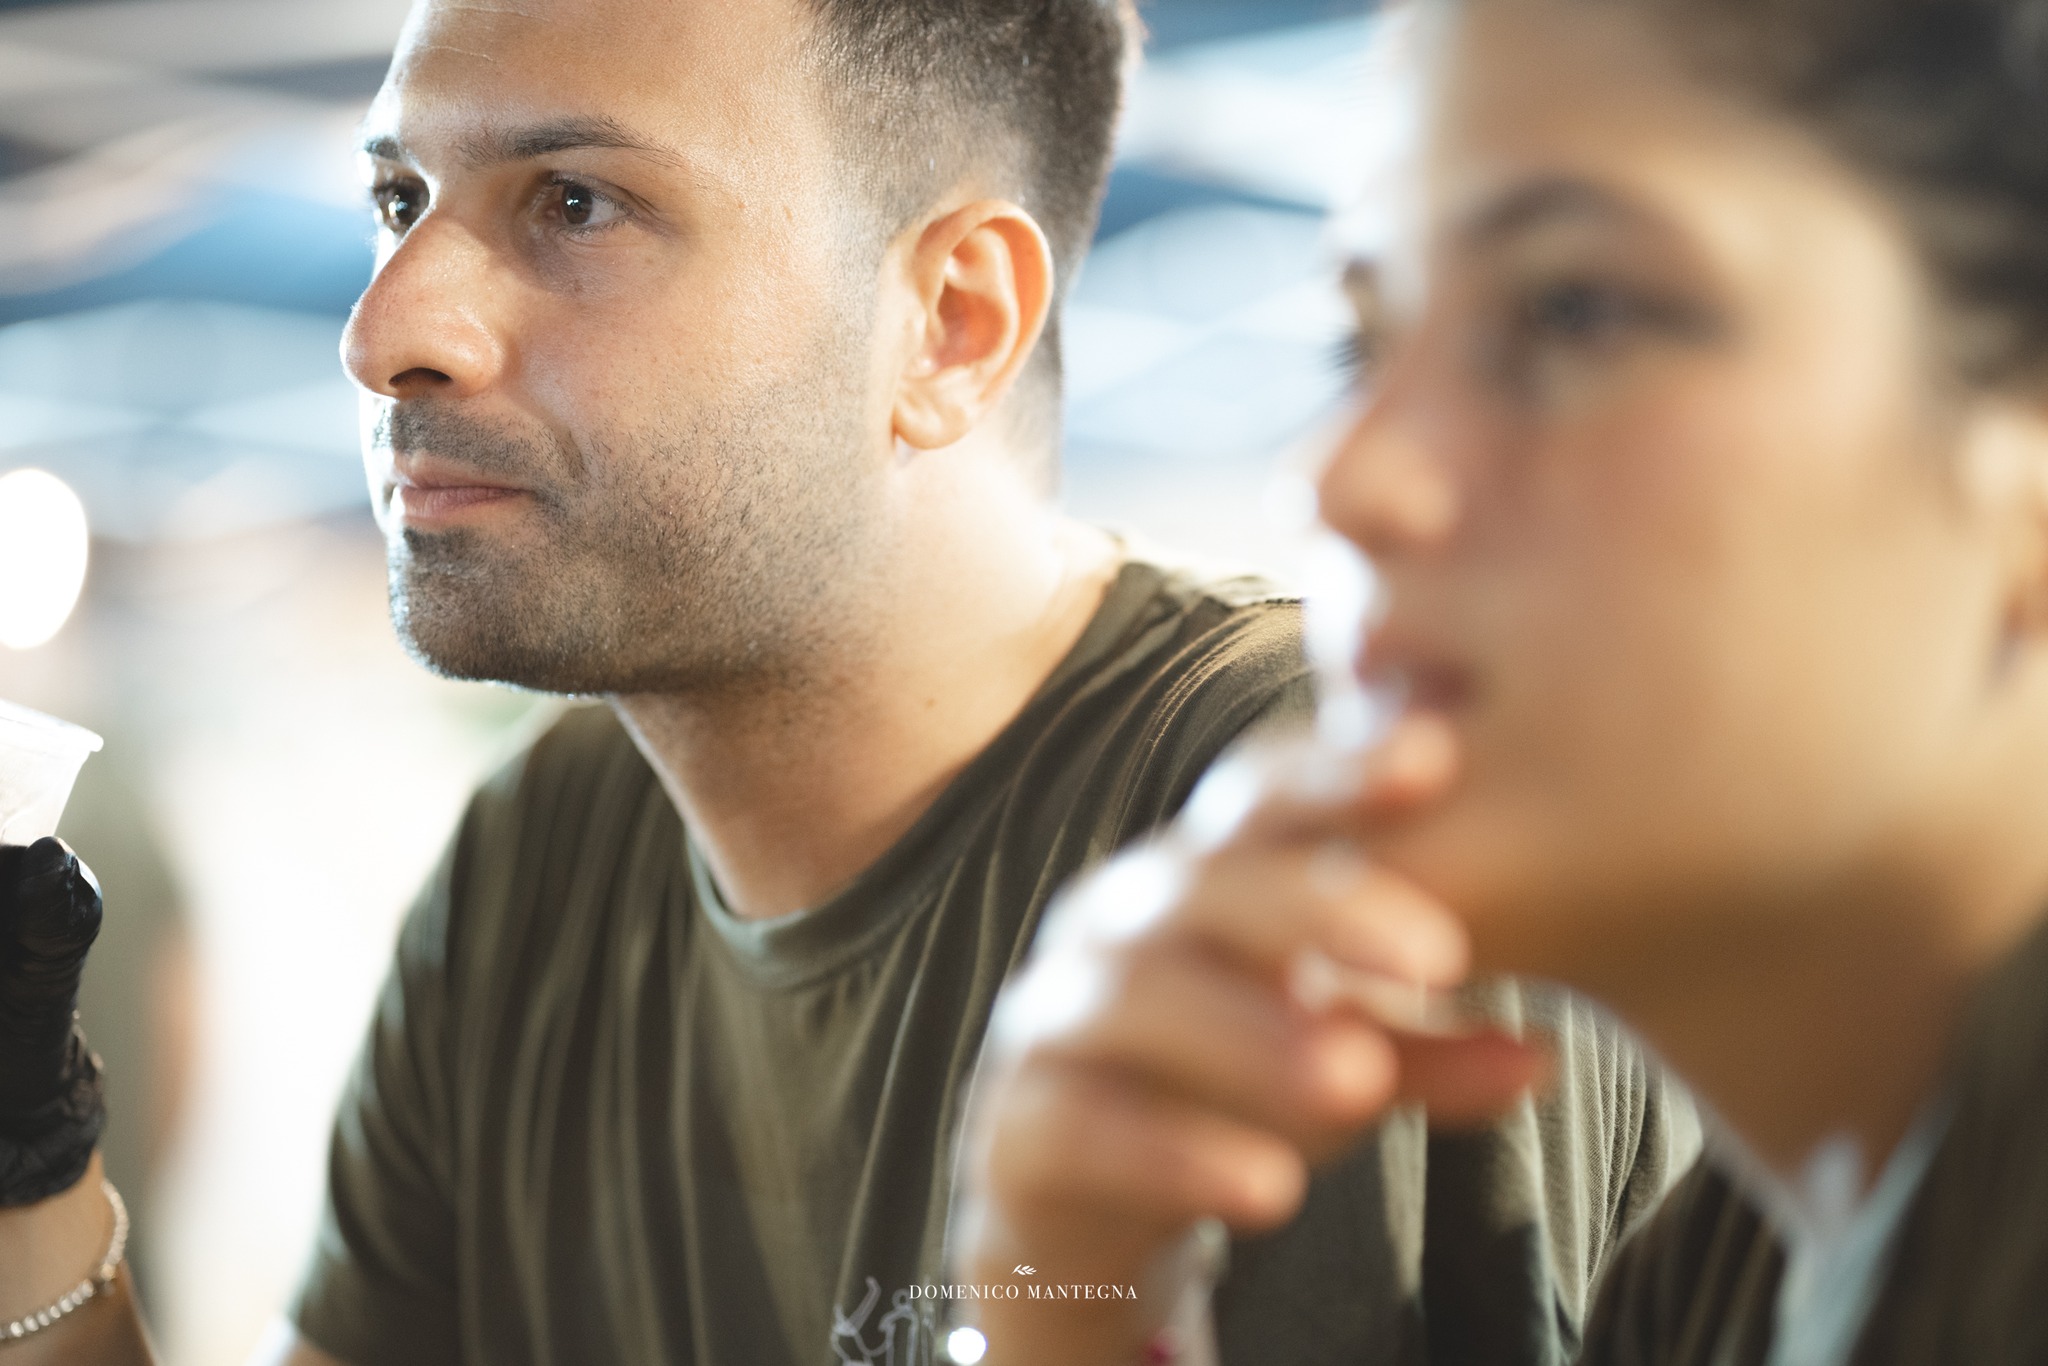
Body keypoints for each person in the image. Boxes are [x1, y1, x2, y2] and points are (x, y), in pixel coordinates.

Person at [0, 1, 1686, 1363]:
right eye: (399, 203)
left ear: (951, 322)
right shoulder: (540, 860)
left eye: (575, 202)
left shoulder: (1302, 815)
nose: (387, 329)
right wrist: (30, 1153)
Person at [959, 0, 2048, 1362]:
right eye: (1365, 347)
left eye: (1574, 311)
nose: (1346, 480)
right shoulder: (1727, 1276)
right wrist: (1069, 1304)